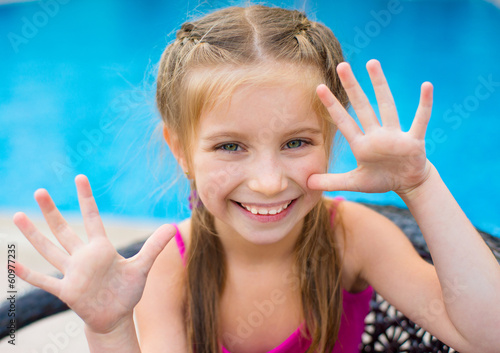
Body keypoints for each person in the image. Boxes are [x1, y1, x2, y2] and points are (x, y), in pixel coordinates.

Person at [12, 5, 500, 353]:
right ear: (180, 149)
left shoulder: (355, 237)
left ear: (332, 140)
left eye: (296, 143)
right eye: (230, 147)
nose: (268, 182)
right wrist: (111, 329)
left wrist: (419, 184)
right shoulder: (170, 270)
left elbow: (487, 335)